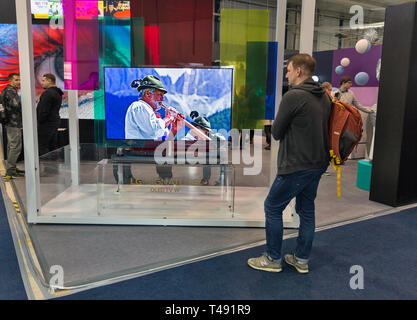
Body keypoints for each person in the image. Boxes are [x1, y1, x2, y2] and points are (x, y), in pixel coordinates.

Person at [247, 54, 331, 274]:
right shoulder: (324, 95)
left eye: (289, 70)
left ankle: (273, 258)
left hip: (296, 165)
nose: (287, 74)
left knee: (272, 207)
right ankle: (301, 259)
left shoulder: (294, 96)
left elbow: (275, 133)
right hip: (318, 163)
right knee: (307, 210)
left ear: (299, 71)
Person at [125, 75, 184, 140]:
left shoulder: (151, 114)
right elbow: (153, 131)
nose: (163, 99)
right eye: (160, 95)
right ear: (147, 93)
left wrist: (174, 129)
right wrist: (170, 117)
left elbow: (164, 145)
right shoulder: (139, 106)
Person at [183, 111, 225, 186]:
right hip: (190, 158)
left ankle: (221, 178)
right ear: (198, 128)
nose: (206, 134)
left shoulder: (205, 138)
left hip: (203, 157)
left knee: (213, 156)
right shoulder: (186, 139)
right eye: (205, 132)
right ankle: (207, 179)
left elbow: (221, 140)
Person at [2, 73, 24, 178]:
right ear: (10, 80)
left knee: (12, 146)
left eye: (20, 80)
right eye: (16, 80)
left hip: (10, 122)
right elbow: (16, 105)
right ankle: (10, 171)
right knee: (15, 147)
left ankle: (12, 169)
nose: (19, 82)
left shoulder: (8, 90)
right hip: (13, 123)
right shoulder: (10, 91)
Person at [37, 73, 63, 156]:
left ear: (50, 81)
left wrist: (39, 120)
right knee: (53, 145)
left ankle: (47, 167)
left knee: (43, 146)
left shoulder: (48, 93)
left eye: (43, 81)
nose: (42, 83)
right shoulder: (58, 92)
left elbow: (43, 111)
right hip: (54, 122)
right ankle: (53, 166)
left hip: (46, 124)